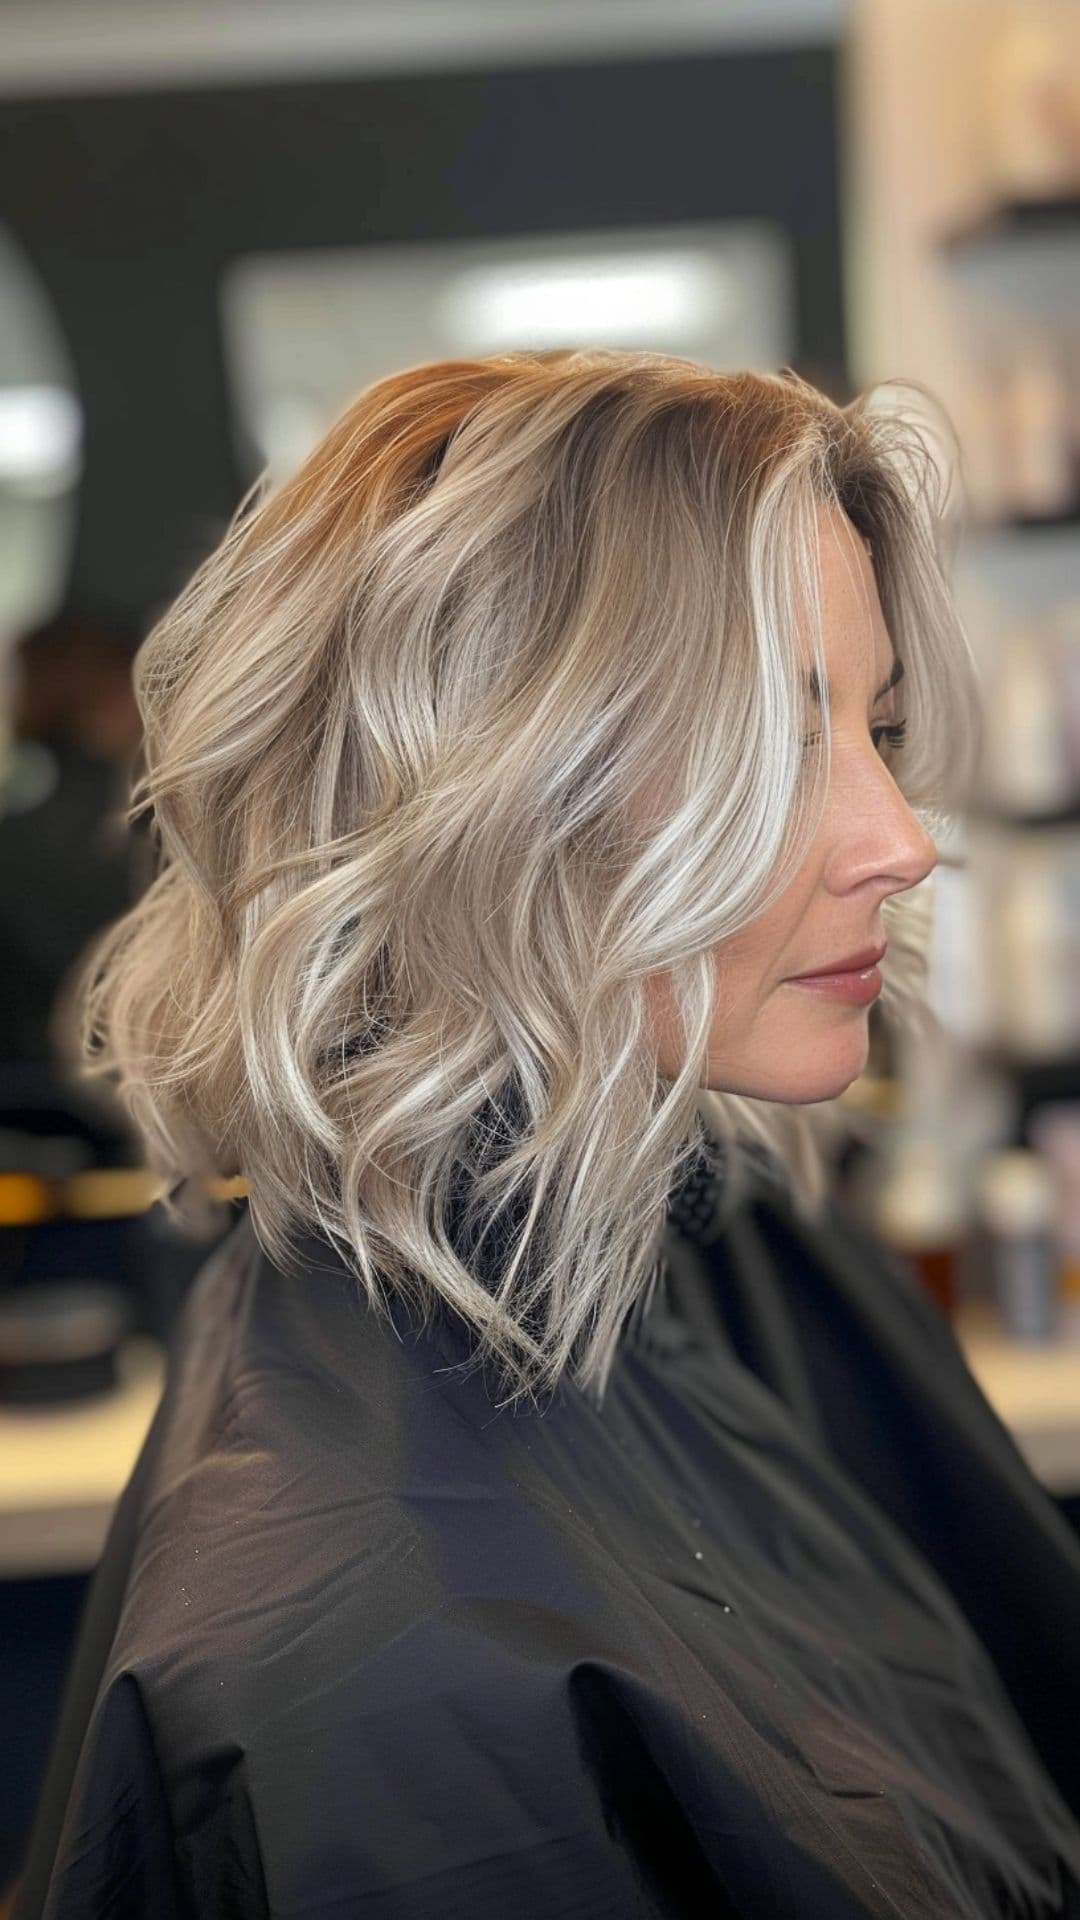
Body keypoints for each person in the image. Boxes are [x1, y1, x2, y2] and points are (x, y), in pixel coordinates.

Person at [13, 351, 1080, 1919]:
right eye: (777, 748)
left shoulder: (695, 1235)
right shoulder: (417, 1685)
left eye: (879, 729)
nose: (904, 843)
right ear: (480, 796)